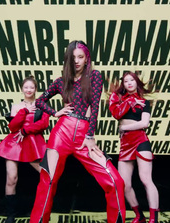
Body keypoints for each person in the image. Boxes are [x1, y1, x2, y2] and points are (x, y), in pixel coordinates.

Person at [29, 40, 126, 223]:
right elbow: (40, 101)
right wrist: (56, 112)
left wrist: (90, 136)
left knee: (115, 181)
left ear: (87, 58)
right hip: (61, 133)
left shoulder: (94, 77)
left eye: (80, 57)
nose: (77, 61)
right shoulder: (61, 82)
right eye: (72, 58)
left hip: (84, 135)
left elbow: (95, 107)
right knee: (48, 181)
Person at [0, 76, 49, 223]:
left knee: (46, 175)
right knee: (11, 178)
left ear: (36, 89)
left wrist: (26, 130)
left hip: (33, 143)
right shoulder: (17, 107)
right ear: (22, 89)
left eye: (31, 87)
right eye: (26, 87)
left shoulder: (42, 105)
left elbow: (43, 124)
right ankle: (10, 215)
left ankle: (42, 209)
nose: (29, 90)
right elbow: (13, 127)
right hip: (14, 144)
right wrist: (24, 111)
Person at [108, 71, 160, 223]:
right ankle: (139, 215)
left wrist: (126, 128)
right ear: (123, 84)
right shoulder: (119, 100)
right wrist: (129, 102)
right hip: (125, 144)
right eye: (126, 81)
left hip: (140, 141)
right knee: (123, 184)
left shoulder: (144, 102)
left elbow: (145, 123)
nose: (129, 83)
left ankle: (153, 218)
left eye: (132, 80)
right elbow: (117, 114)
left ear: (137, 82)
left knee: (146, 179)